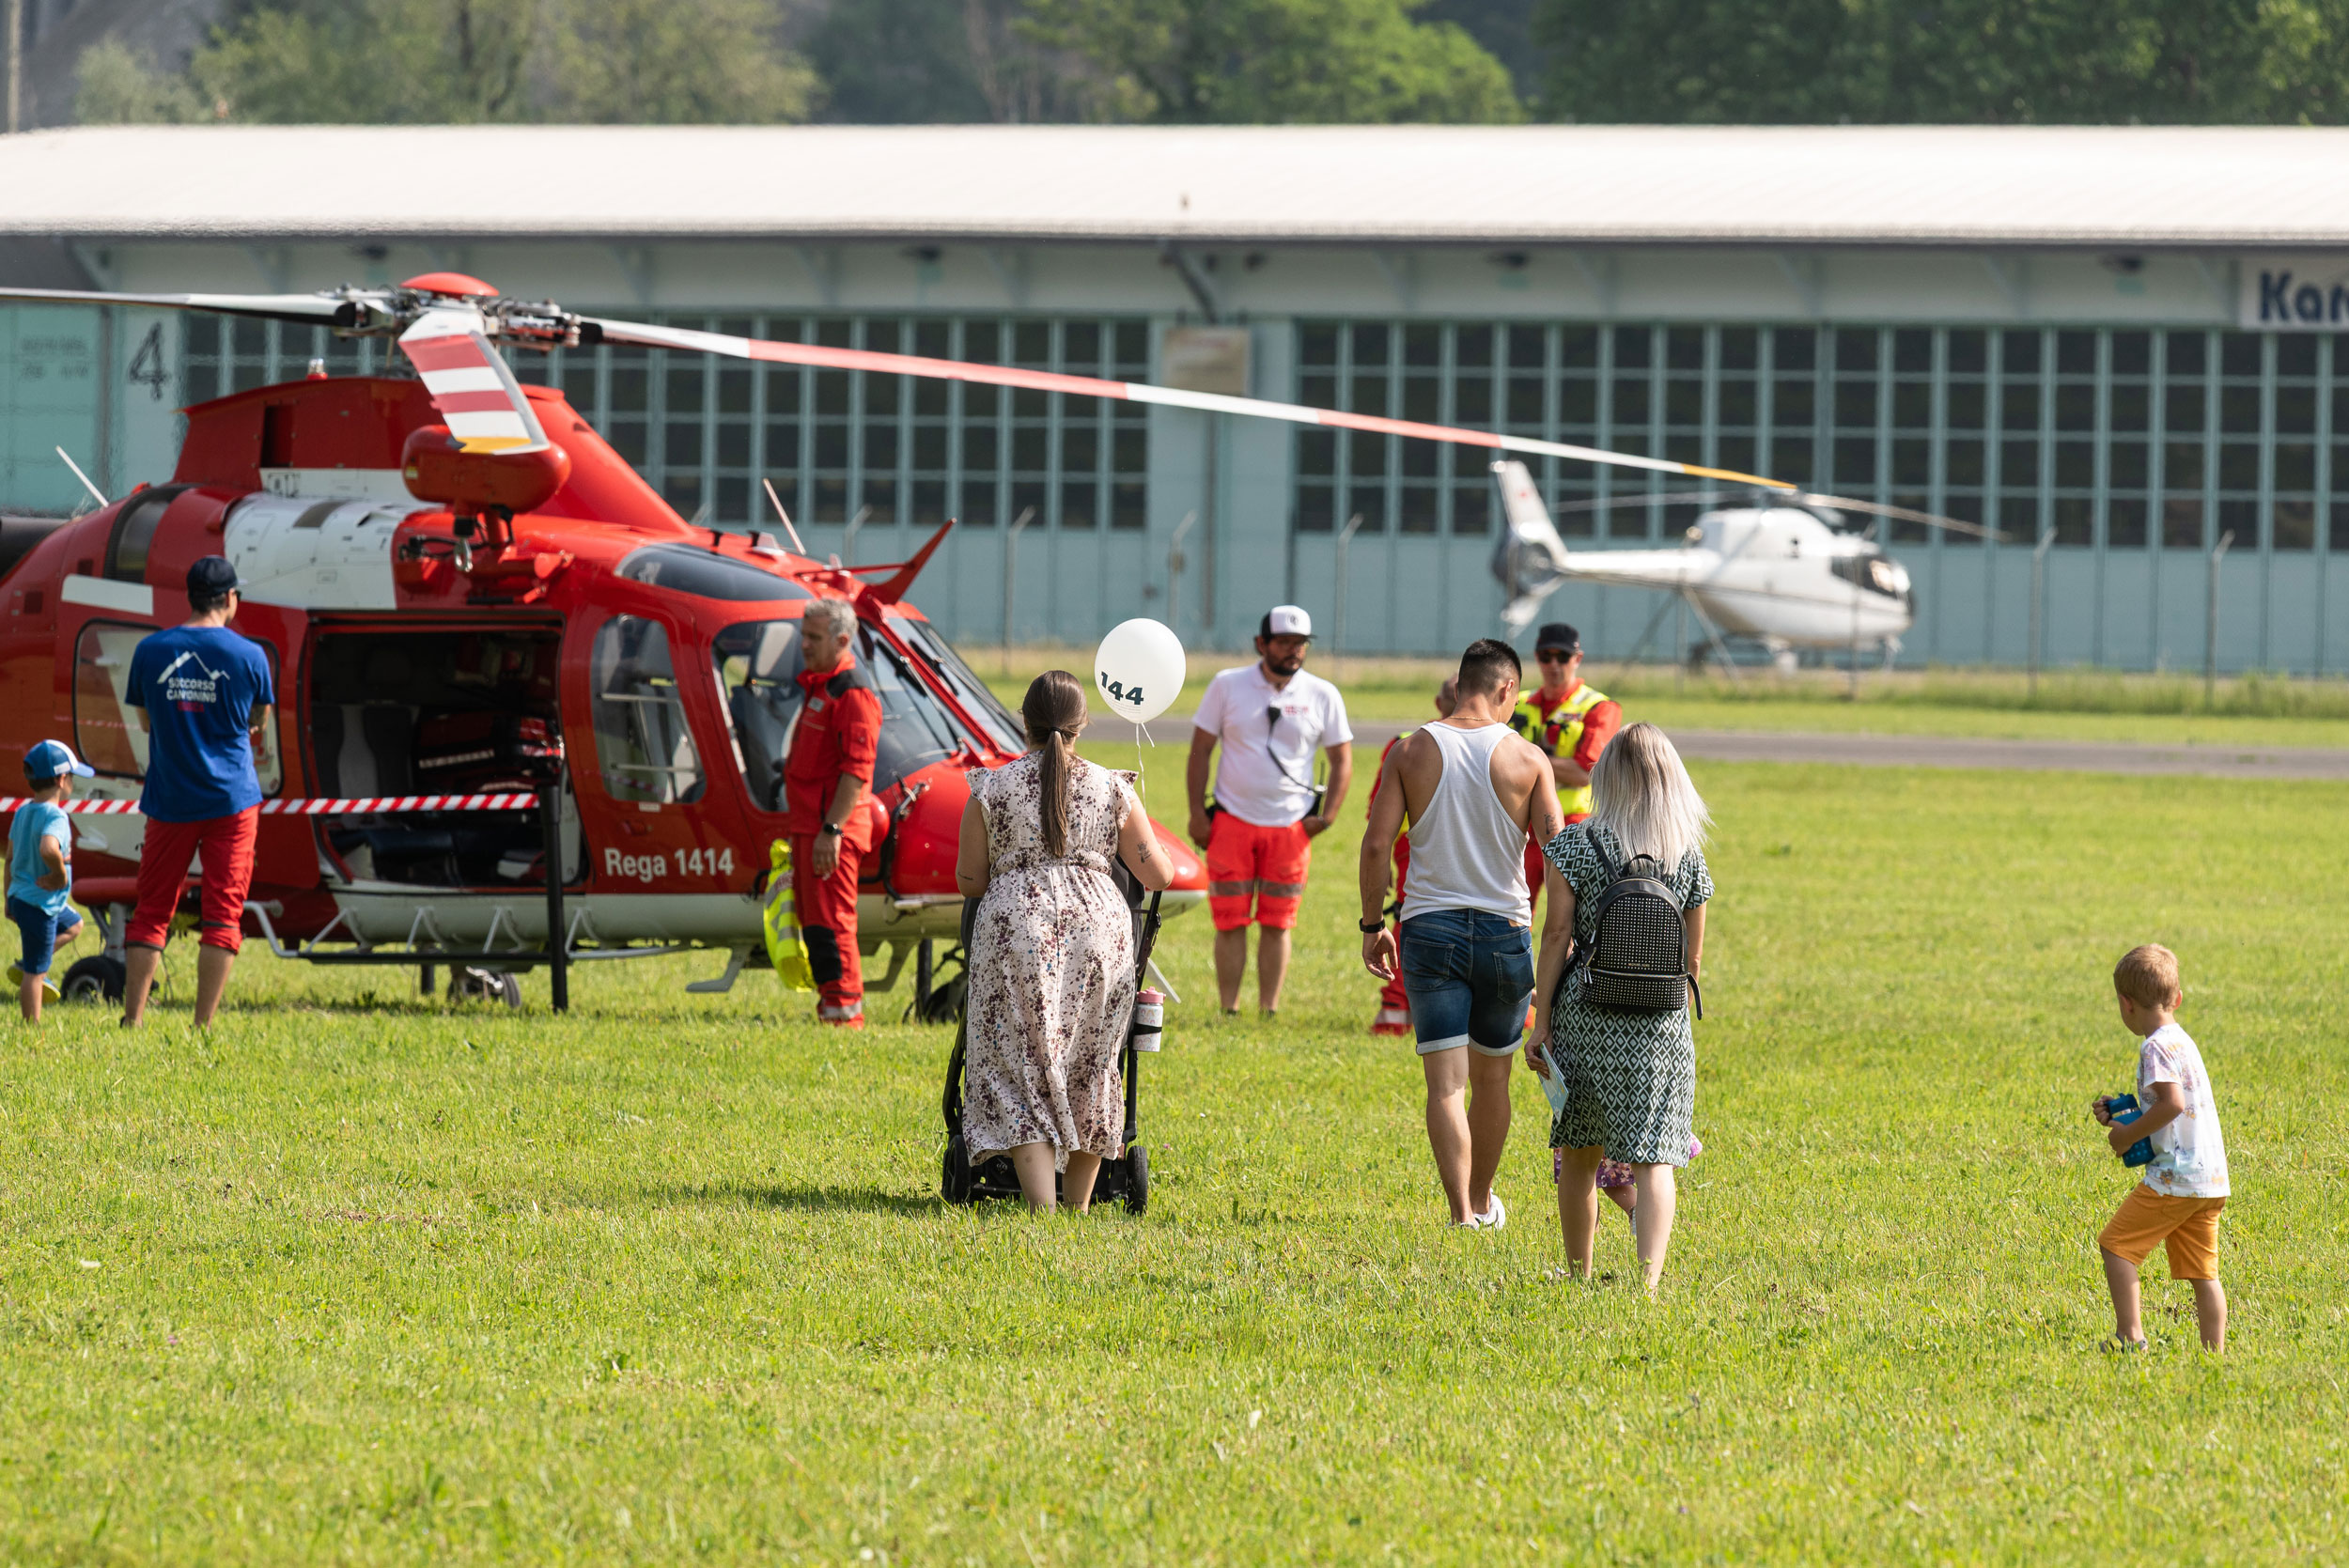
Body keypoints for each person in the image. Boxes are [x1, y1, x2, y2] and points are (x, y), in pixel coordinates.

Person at [956, 670, 1175, 1211]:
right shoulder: (1112, 788)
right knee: (1092, 1061)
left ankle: (1041, 1206)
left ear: (1023, 722)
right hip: (1098, 930)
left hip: (1016, 930)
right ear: (1082, 725)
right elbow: (1158, 875)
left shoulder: (991, 788)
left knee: (1019, 1063)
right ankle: (1076, 1206)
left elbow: (971, 880)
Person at [1361, 640, 1561, 1229]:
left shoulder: (1410, 749)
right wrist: (1563, 935)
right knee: (1493, 1079)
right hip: (1505, 930)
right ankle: (1481, 1199)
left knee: (1445, 1086)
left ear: (1461, 682)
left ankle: (1459, 1216)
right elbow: (1559, 856)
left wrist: (1373, 925)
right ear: (1506, 689)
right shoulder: (1529, 758)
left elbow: (1376, 845)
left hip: (1428, 927)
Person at [1529, 722, 1711, 1292]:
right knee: (1656, 1159)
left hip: (1586, 1016)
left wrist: (1543, 1023)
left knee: (1580, 1152)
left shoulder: (1575, 844)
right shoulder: (1686, 854)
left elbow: (1556, 936)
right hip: (1661, 1025)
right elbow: (1692, 959)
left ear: (1606, 776)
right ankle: (1648, 1283)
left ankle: (1578, 1273)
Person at [122, 557, 275, 1029]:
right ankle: (202, 1026)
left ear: (189, 596)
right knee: (223, 912)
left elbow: (145, 721)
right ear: (229, 598)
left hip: (170, 798)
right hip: (233, 801)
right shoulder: (251, 656)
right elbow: (258, 721)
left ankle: (132, 1020)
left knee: (152, 909)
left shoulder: (150, 650)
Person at [1188, 605, 1354, 1017]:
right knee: (1229, 920)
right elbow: (1200, 750)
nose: (1293, 650)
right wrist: (1197, 814)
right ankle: (1228, 1008)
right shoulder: (1227, 685)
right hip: (1231, 820)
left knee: (1278, 922)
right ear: (1261, 643)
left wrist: (1327, 817)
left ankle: (1269, 1009)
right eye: (1284, 642)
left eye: (1300, 643)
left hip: (1291, 828)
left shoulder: (1323, 694)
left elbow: (1342, 760)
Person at [2092, 944, 2230, 1352]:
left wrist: (2125, 1136)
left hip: (2174, 1180)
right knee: (2205, 1274)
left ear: (2126, 1004)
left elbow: (2172, 1104)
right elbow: (2170, 1109)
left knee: (2116, 1246)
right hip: (2209, 1180)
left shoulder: (2153, 1047)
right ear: (2178, 999)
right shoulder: (2183, 1041)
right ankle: (2213, 1356)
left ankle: (2130, 1337)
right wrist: (2123, 1116)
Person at [780, 597, 883, 1028]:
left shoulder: (852, 694)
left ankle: (845, 1015)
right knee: (815, 925)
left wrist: (832, 830)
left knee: (833, 924)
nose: (804, 644)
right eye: (803, 636)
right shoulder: (823, 686)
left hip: (830, 830)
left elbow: (856, 772)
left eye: (814, 637)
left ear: (842, 640)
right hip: (812, 827)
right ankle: (831, 1008)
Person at [1365, 677, 1456, 1037]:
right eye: (1453, 697)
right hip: (1416, 848)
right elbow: (1378, 808)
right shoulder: (1406, 743)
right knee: (1411, 923)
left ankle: (1404, 1011)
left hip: (1432, 848)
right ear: (1438, 702)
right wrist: (1385, 855)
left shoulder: (1408, 743)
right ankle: (1397, 1009)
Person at [1509, 622, 1621, 908]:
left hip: (1572, 828)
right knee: (1510, 915)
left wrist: (1523, 757)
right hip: (1518, 825)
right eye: (1546, 656)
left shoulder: (1598, 707)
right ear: (1537, 657)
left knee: (1569, 918)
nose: (1554, 665)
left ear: (1577, 658)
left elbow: (1585, 772)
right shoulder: (1517, 702)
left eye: (1562, 656)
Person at [8, 741, 93, 1022]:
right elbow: (48, 848)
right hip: (40, 905)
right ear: (61, 779)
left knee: (75, 924)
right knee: (35, 974)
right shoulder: (56, 816)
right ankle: (30, 1026)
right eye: (72, 776)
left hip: (22, 898)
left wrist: (8, 897)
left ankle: (33, 958)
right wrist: (59, 875)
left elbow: (9, 859)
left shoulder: (22, 812)